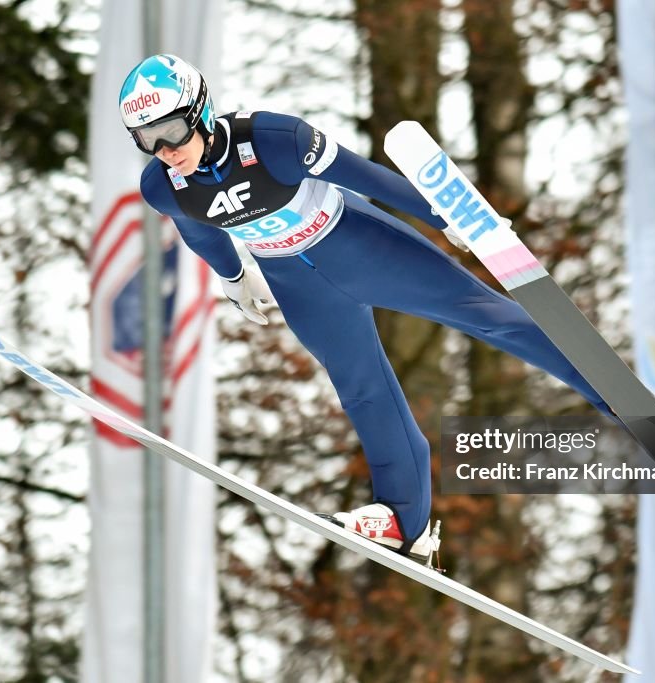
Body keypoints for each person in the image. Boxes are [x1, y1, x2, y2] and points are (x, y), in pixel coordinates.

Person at [119, 54, 612, 565]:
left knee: (483, 315)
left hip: (360, 246)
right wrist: (234, 275)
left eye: (171, 131)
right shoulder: (161, 186)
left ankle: (611, 392)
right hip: (301, 287)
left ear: (200, 110)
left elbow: (368, 176)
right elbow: (197, 229)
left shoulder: (272, 140)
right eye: (146, 139)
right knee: (362, 390)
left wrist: (441, 215)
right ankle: (404, 519)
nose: (165, 150)